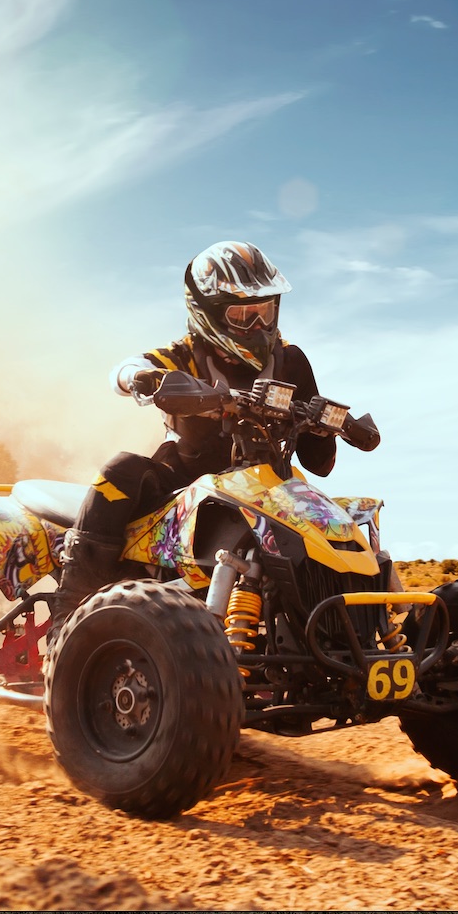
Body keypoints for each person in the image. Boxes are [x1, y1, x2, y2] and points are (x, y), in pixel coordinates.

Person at [49, 241, 337, 634]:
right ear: (209, 314)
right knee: (120, 470)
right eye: (243, 314)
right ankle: (68, 617)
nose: (257, 326)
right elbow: (127, 368)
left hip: (268, 494)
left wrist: (322, 428)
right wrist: (139, 377)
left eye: (264, 311)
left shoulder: (291, 361)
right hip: (182, 487)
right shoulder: (185, 354)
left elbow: (320, 463)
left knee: (339, 519)